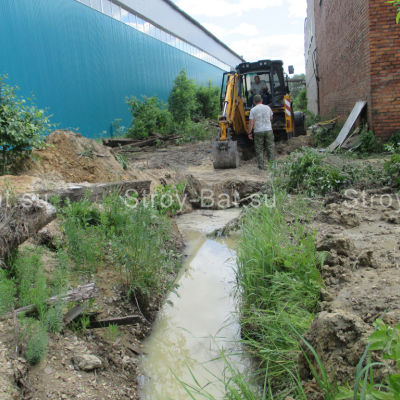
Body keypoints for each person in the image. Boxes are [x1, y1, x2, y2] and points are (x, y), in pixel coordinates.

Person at [248, 94, 274, 170]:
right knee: (270, 148)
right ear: (262, 100)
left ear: (254, 102)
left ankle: (261, 167)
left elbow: (251, 122)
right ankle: (272, 167)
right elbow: (271, 118)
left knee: (259, 149)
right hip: (268, 130)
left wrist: (249, 133)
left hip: (258, 131)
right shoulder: (267, 107)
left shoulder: (253, 110)